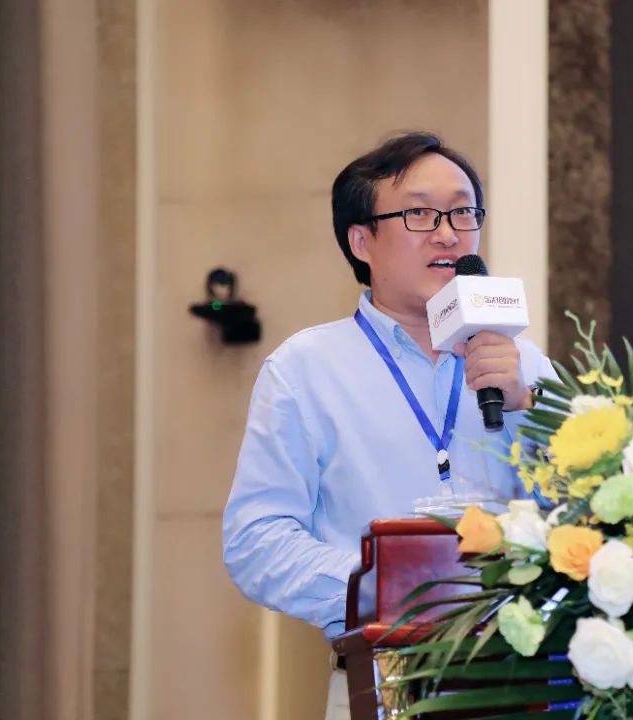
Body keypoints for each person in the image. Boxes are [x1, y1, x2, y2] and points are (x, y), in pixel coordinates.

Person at [222, 132, 554, 719]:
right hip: (384, 676)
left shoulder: (523, 364)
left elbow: (589, 516)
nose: (448, 234)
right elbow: (257, 539)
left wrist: (529, 409)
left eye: (463, 212)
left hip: (525, 675)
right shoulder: (305, 370)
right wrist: (385, 584)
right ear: (362, 240)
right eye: (420, 213)